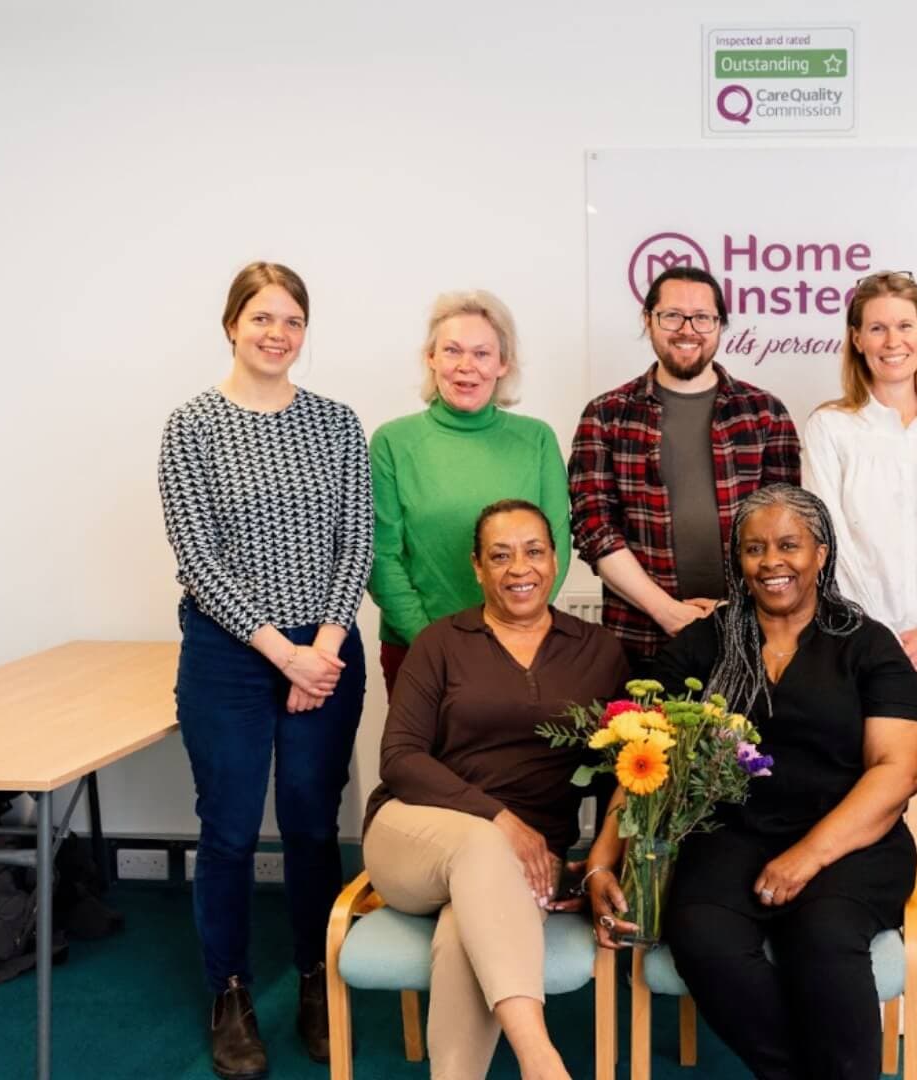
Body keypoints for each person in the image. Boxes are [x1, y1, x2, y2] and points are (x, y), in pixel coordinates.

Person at [586, 484, 917, 1080]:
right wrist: (600, 861)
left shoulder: (868, 645)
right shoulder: (704, 643)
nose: (772, 562)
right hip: (731, 834)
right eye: (754, 548)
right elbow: (645, 755)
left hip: (850, 840)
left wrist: (807, 857)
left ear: (821, 554)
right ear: (737, 560)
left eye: (789, 545)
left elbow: (899, 770)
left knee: (822, 937)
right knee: (700, 934)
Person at [158, 261, 372, 1078]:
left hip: (326, 646)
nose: (277, 334)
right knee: (231, 829)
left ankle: (318, 976)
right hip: (231, 655)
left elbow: (355, 539)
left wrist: (323, 648)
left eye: (292, 320)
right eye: (262, 318)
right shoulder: (192, 426)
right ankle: (231, 991)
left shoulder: (336, 423)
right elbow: (197, 557)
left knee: (313, 822)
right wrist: (282, 654)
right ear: (231, 325)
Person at [362, 499, 629, 1080]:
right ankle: (541, 1059)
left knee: (465, 934)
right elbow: (400, 759)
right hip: (413, 836)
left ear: (555, 559)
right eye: (500, 556)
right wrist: (501, 820)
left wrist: (598, 865)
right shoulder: (440, 642)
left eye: (534, 551)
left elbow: (621, 776)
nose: (519, 568)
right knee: (486, 843)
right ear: (477, 567)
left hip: (528, 862)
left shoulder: (599, 650)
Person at [802, 270, 917, 1011]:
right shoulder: (831, 427)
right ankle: (860, 939)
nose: (891, 340)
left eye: (904, 325)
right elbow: (823, 542)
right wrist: (882, 644)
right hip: (852, 647)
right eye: (875, 327)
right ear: (855, 340)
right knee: (852, 794)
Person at [569, 265, 801, 673]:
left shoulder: (765, 414)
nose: (687, 330)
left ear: (720, 324)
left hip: (753, 636)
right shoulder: (606, 415)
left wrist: (732, 611)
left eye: (702, 317)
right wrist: (667, 611)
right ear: (648, 320)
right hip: (641, 641)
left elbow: (788, 532)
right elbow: (595, 530)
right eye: (672, 316)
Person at [368, 290, 571, 695]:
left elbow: (555, 550)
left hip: (521, 647)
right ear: (431, 357)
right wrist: (434, 645)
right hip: (417, 647)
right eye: (452, 351)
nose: (466, 366)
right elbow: (381, 556)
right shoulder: (392, 442)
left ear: (503, 363)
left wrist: (513, 631)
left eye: (481, 353)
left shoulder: (537, 439)